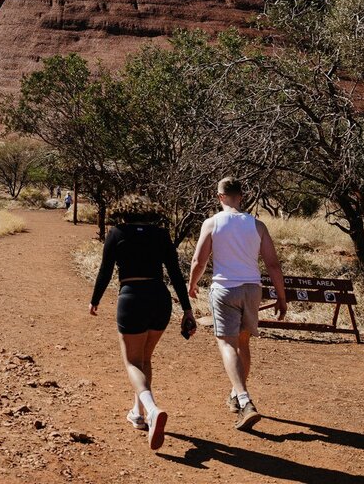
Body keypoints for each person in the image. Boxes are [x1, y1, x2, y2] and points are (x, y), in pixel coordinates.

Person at [89, 196, 196, 451]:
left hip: (132, 298)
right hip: (160, 299)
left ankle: (151, 409)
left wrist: (95, 300)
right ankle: (138, 413)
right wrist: (187, 308)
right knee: (145, 358)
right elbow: (175, 274)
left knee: (131, 361)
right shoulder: (161, 235)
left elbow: (105, 270)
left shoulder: (117, 233)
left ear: (123, 212)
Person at [187, 177, 286, 432]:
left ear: (220, 196)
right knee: (243, 342)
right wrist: (281, 296)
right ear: (241, 196)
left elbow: (199, 260)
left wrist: (192, 284)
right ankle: (235, 393)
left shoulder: (212, 223)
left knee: (227, 344)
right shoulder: (257, 225)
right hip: (252, 289)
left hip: (224, 289)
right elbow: (273, 264)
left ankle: (244, 400)